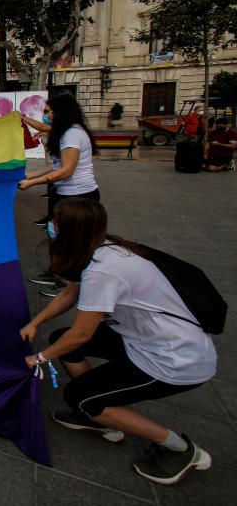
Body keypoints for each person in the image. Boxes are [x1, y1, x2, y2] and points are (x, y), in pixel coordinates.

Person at [20, 199, 215, 486]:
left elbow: (83, 334)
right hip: (144, 340)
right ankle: (99, 411)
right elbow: (70, 294)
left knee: (78, 392)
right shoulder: (101, 247)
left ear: (71, 229)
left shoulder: (103, 271)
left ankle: (179, 448)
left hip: (172, 360)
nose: (51, 226)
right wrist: (35, 323)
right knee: (62, 341)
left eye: (56, 222)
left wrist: (39, 359)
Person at [19, 94, 100, 293]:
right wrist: (30, 174)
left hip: (79, 195)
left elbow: (66, 170)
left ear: (60, 112)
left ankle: (67, 283)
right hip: (68, 194)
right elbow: (56, 165)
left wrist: (32, 183)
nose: (45, 116)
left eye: (48, 112)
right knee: (58, 234)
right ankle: (59, 273)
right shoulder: (66, 131)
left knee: (69, 240)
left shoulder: (72, 135)